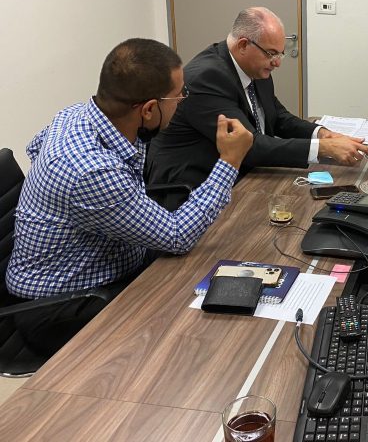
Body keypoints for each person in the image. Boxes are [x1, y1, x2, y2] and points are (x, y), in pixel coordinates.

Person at [7, 38, 253, 354]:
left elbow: (34, 148)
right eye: (178, 95)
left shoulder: (76, 114)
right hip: (62, 306)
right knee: (194, 328)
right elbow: (177, 236)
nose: (182, 101)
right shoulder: (92, 171)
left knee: (209, 273)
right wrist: (230, 160)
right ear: (149, 109)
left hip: (109, 266)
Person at [146, 7, 368, 197]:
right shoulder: (207, 77)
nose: (277, 63)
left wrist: (322, 134)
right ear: (243, 45)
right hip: (192, 186)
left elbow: (278, 117)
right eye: (271, 54)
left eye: (280, 54)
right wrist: (324, 148)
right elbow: (248, 144)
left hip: (241, 174)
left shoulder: (255, 68)